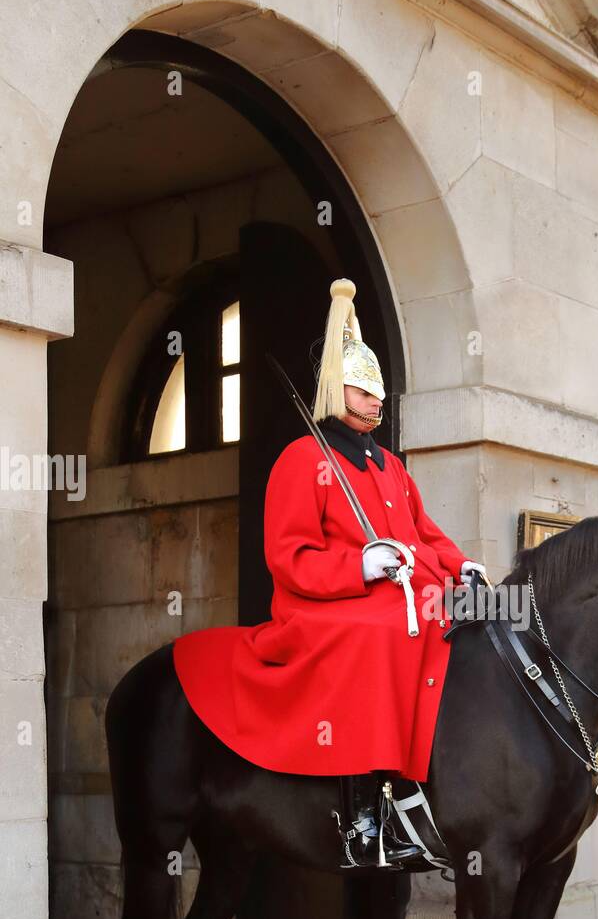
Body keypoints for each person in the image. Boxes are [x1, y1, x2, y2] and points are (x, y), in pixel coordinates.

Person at [171, 278, 487, 869]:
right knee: (385, 629)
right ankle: (368, 807)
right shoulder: (303, 460)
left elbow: (424, 535)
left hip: (401, 593)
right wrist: (360, 564)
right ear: (336, 390)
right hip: (325, 604)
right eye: (364, 391)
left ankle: (440, 775)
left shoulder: (390, 465)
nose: (376, 401)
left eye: (379, 393)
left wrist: (459, 563)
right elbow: (288, 558)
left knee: (461, 620)